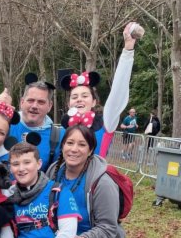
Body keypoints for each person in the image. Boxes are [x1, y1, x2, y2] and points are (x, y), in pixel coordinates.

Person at [58, 22, 140, 158]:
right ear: (68, 103)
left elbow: (117, 93)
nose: (79, 99)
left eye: (85, 96)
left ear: (94, 102)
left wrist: (128, 50)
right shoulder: (61, 130)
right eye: (74, 97)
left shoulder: (105, 123)